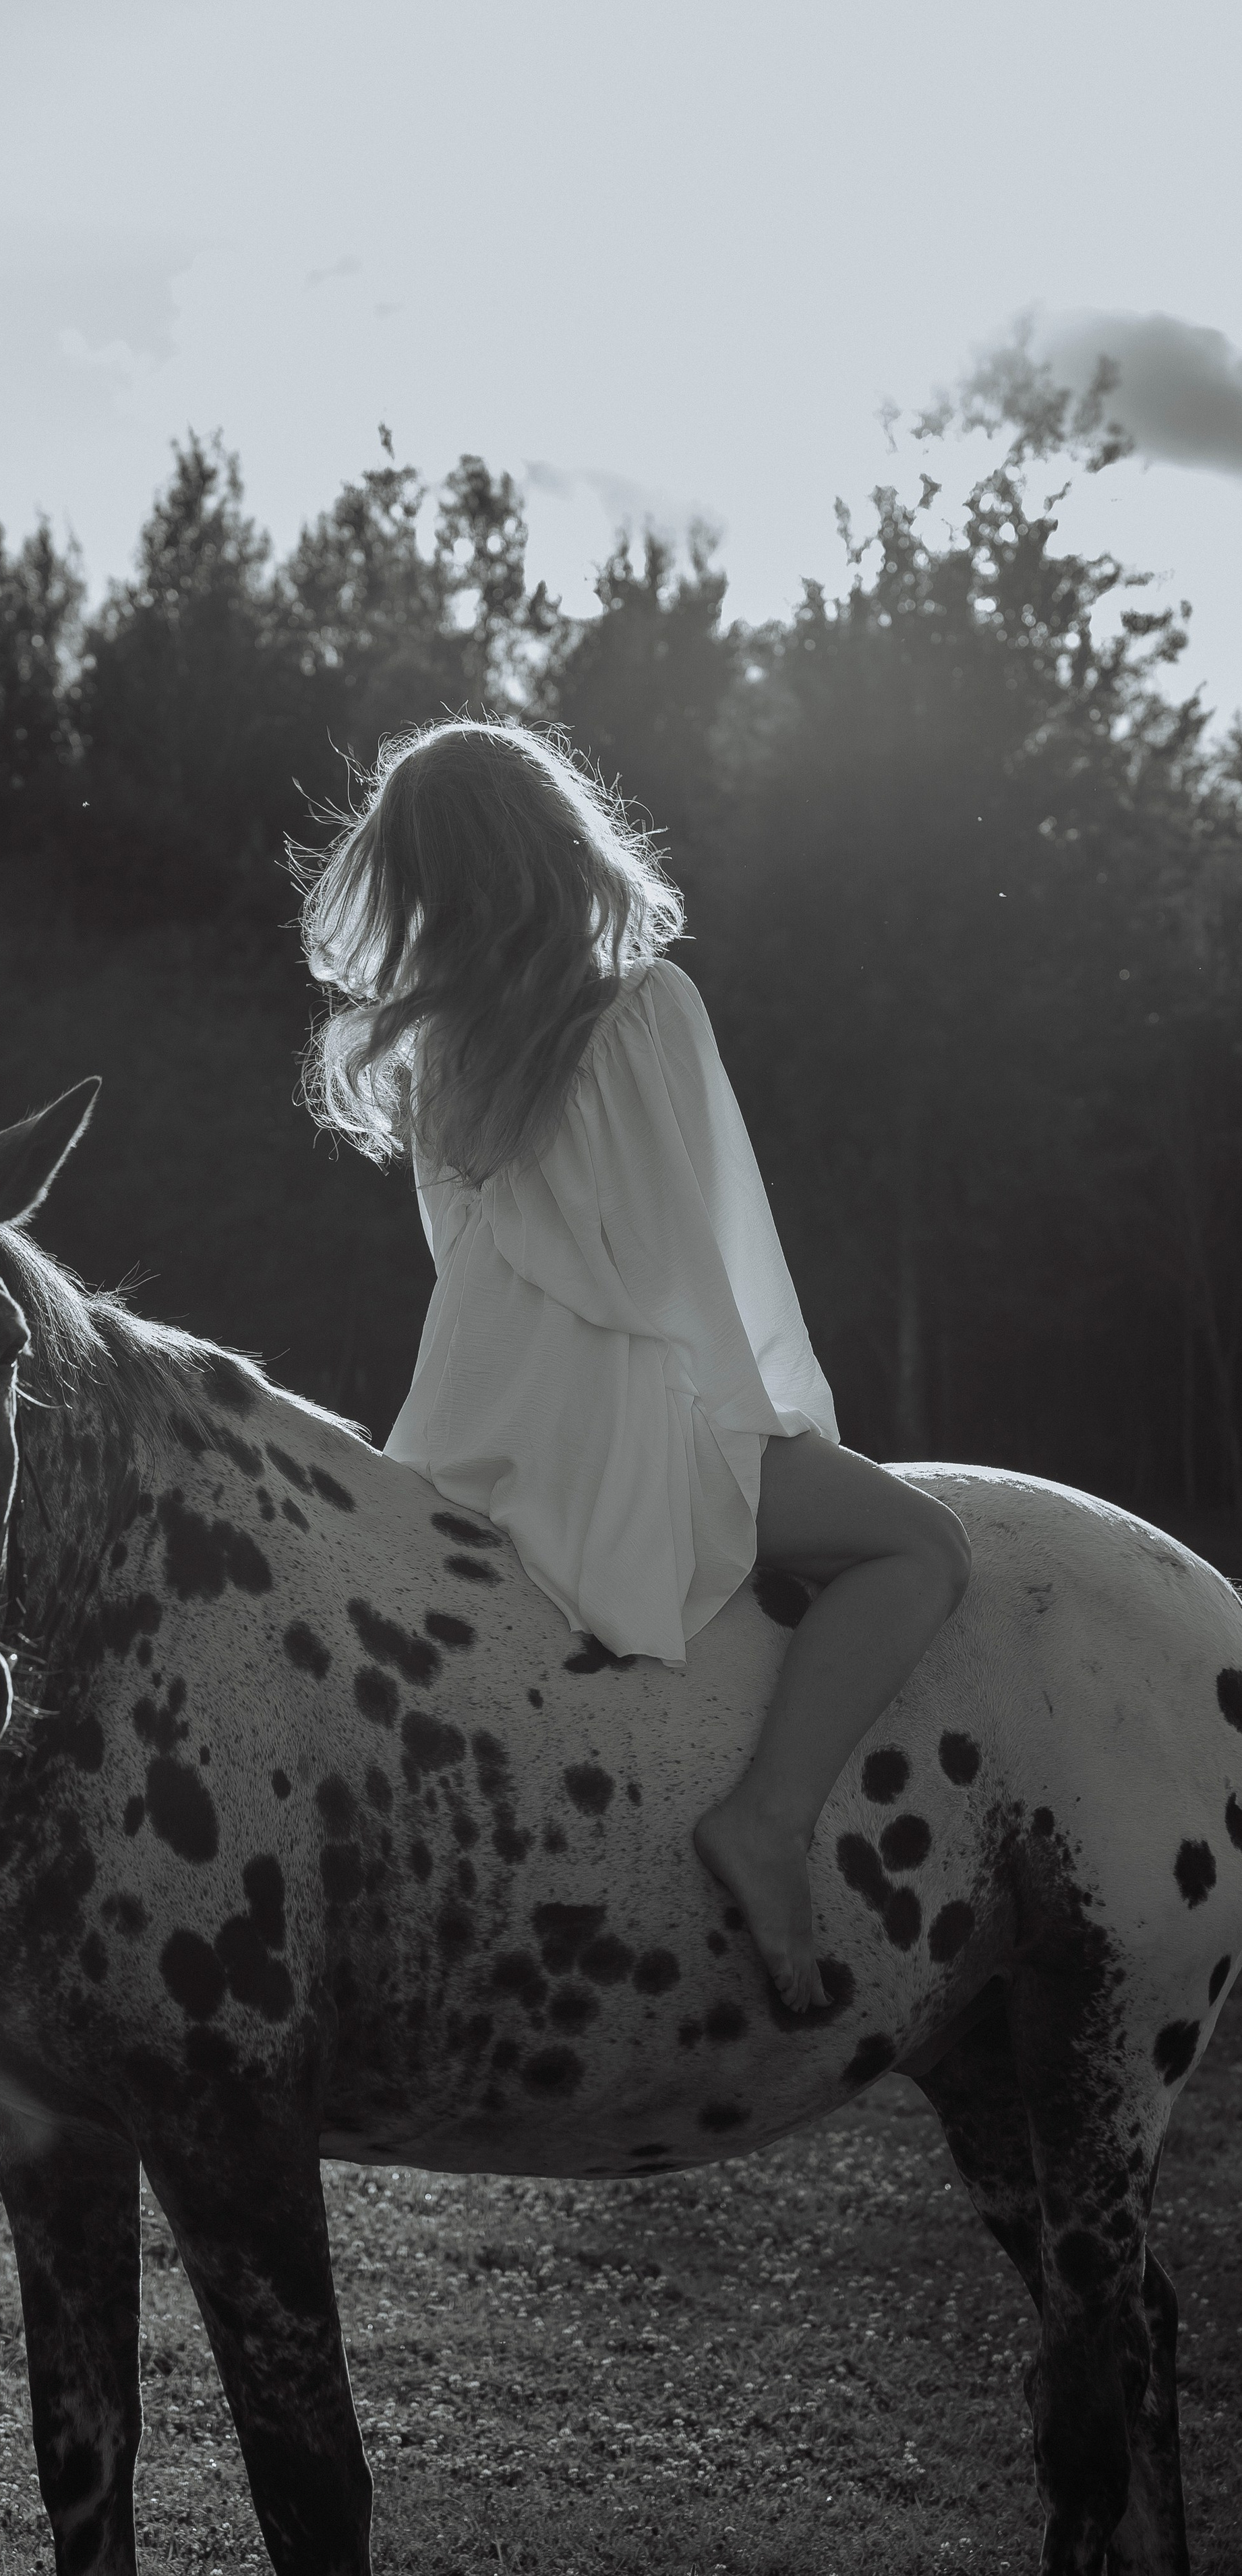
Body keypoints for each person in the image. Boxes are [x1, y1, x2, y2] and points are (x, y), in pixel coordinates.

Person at [298, 717, 970, 2012]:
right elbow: (698, 1252)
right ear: (562, 839)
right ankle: (767, 1817)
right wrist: (764, 1422)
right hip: (626, 1412)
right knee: (922, 1549)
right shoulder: (646, 1001)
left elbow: (463, 1262)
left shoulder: (437, 1053)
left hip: (469, 1422)